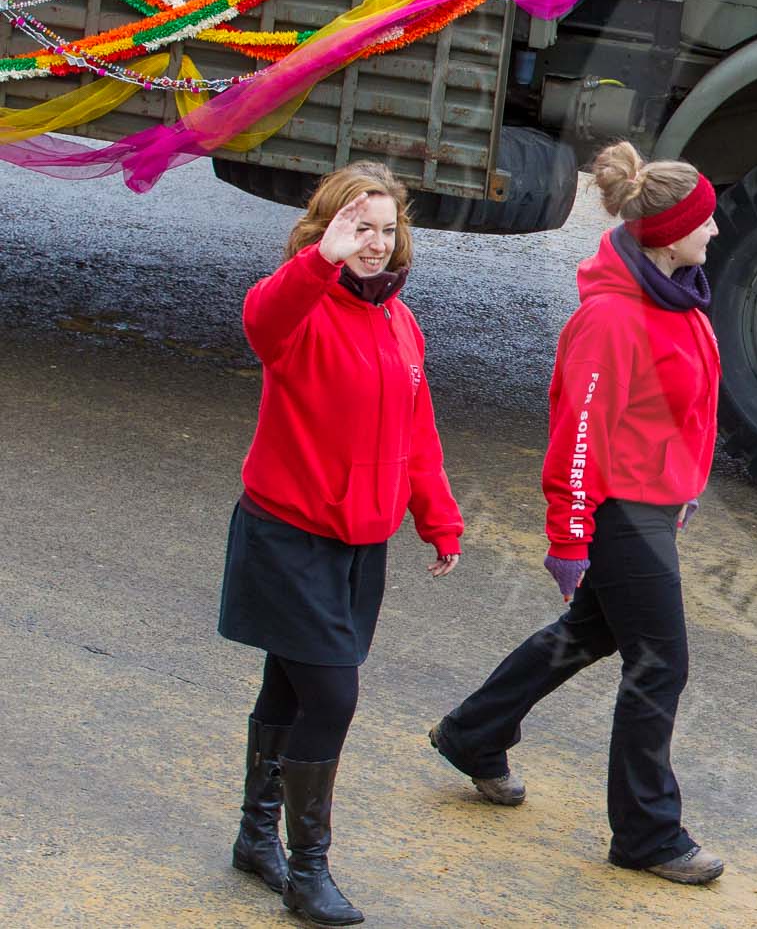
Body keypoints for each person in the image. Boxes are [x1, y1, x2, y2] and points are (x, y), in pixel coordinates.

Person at [429, 143, 725, 887]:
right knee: (660, 664)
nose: (716, 230)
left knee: (589, 632)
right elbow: (579, 431)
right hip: (621, 513)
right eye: (705, 220)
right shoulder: (613, 319)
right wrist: (568, 535)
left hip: (652, 503)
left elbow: (676, 411)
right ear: (669, 234)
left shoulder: (676, 292)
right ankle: (648, 834)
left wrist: (683, 488)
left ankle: (472, 733)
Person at [221, 162, 463, 926]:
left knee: (290, 688)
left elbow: (418, 432)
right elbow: (261, 321)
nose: (376, 243)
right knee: (333, 695)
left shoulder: (402, 321)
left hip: (360, 544)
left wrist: (438, 516)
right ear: (330, 227)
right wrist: (320, 259)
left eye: (387, 230)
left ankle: (255, 836)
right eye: (361, 227)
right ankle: (307, 871)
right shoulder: (300, 308)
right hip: (288, 536)